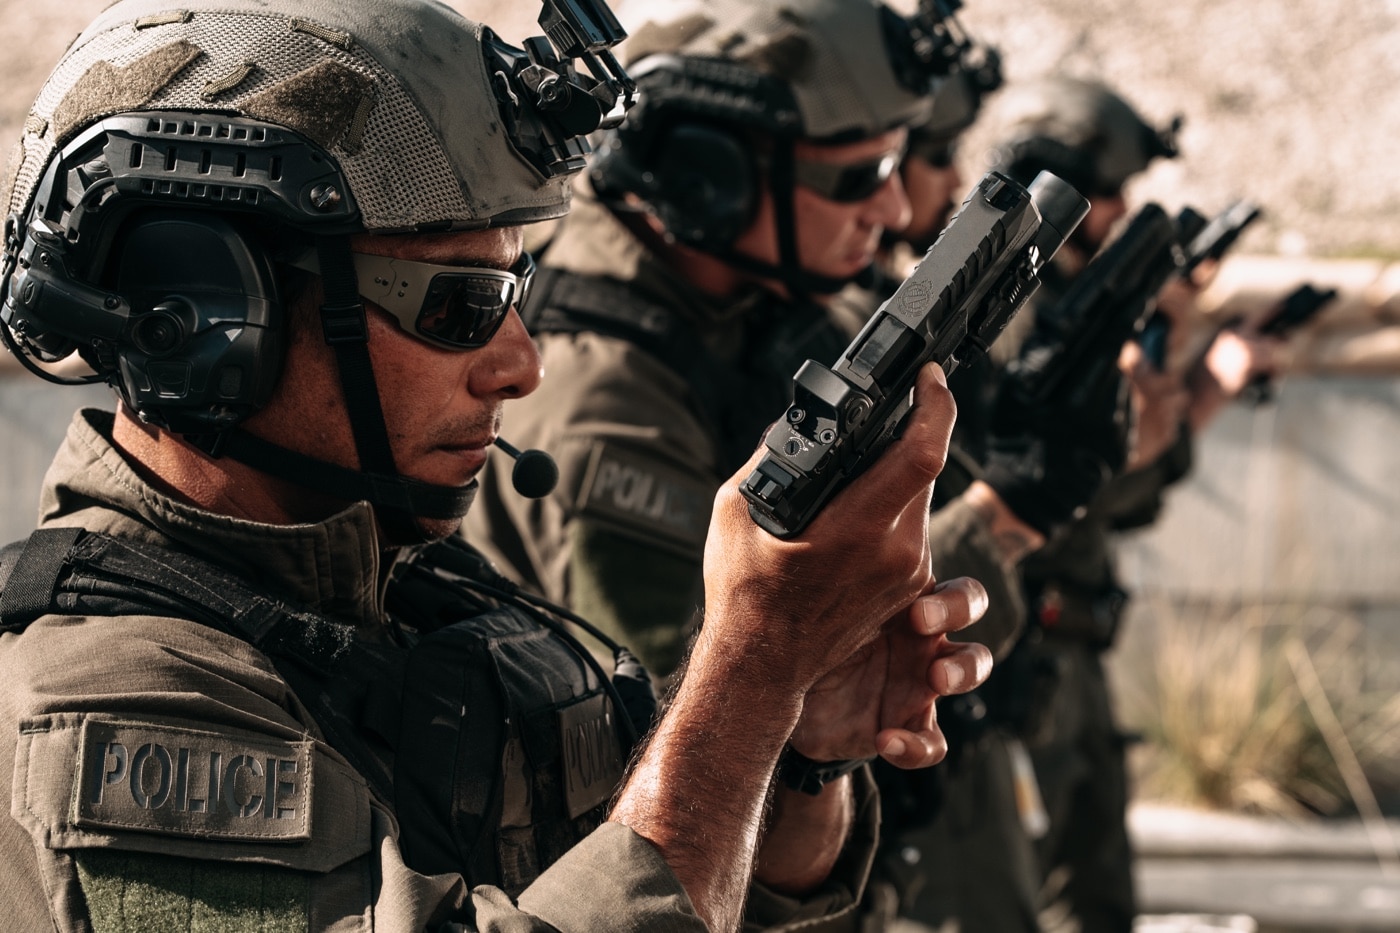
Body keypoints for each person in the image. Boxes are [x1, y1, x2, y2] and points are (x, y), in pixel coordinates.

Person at [0, 2, 995, 931]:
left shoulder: (425, 607)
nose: (522, 364)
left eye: (516, 288)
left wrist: (795, 754)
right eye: (458, 306)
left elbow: (709, 886)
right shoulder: (115, 703)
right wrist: (752, 666)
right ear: (212, 314)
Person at [976, 75, 1283, 933]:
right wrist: (1192, 391)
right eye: (1110, 193)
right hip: (1013, 657)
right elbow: (1076, 490)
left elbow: (1122, 496)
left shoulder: (1063, 304)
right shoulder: (1014, 308)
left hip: (1070, 652)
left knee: (1098, 904)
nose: (1118, 213)